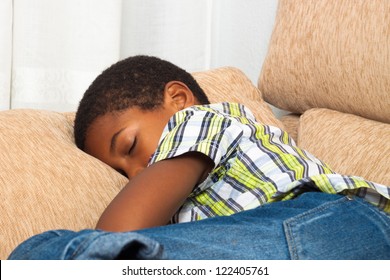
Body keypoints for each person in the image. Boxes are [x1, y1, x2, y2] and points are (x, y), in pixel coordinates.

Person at [9, 55, 390, 260]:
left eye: (128, 147)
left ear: (177, 99)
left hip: (328, 224)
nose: (136, 173)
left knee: (45, 251)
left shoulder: (197, 122)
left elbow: (116, 235)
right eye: (122, 173)